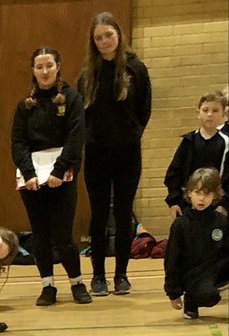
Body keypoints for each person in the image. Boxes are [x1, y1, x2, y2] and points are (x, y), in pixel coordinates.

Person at [77, 11, 151, 296]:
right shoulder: (87, 75)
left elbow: (145, 108)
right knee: (97, 216)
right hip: (96, 154)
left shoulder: (136, 69)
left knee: (123, 214)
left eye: (109, 35)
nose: (105, 41)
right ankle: (98, 276)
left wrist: (130, 135)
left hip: (127, 154)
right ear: (93, 42)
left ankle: (121, 275)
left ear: (118, 35)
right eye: (99, 38)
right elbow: (80, 115)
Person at [11, 46, 91, 306]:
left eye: (49, 65)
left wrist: (58, 171)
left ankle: (77, 282)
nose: (44, 71)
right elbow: (18, 143)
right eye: (39, 66)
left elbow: (76, 137)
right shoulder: (24, 106)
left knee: (63, 236)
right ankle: (48, 285)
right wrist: (29, 174)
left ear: (58, 67)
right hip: (33, 181)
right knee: (40, 235)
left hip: (61, 178)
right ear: (33, 71)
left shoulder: (72, 99)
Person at [164, 167, 229, 320]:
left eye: (207, 194)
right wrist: (173, 293)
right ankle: (191, 300)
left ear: (214, 196)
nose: (201, 199)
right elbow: (171, 260)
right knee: (209, 296)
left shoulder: (221, 221)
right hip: (193, 275)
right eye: (197, 193)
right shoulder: (181, 225)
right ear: (189, 194)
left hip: (216, 269)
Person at [164, 93, 229, 216]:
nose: (209, 114)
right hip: (188, 207)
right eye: (205, 110)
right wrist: (174, 202)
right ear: (198, 113)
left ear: (223, 115)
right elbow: (174, 174)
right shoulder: (188, 141)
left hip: (217, 208)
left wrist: (225, 205)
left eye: (215, 110)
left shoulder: (226, 144)